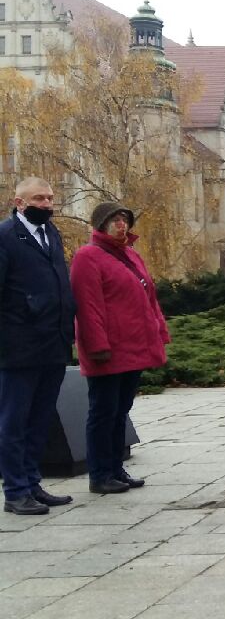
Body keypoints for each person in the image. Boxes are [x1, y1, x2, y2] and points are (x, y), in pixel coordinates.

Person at [70, 202, 169, 494]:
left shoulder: (129, 254)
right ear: (101, 224)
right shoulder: (88, 256)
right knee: (103, 411)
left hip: (133, 346)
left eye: (124, 219)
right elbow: (88, 307)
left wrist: (159, 331)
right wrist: (97, 345)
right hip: (107, 349)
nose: (121, 225)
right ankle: (99, 474)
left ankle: (115, 468)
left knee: (120, 410)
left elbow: (149, 297)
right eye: (114, 220)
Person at [0, 177, 77, 515]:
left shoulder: (51, 234)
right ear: (19, 202)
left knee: (40, 418)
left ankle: (32, 482)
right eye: (39, 199)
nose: (47, 204)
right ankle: (15, 490)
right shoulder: (5, 236)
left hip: (53, 342)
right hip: (19, 347)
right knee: (14, 421)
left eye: (49, 198)